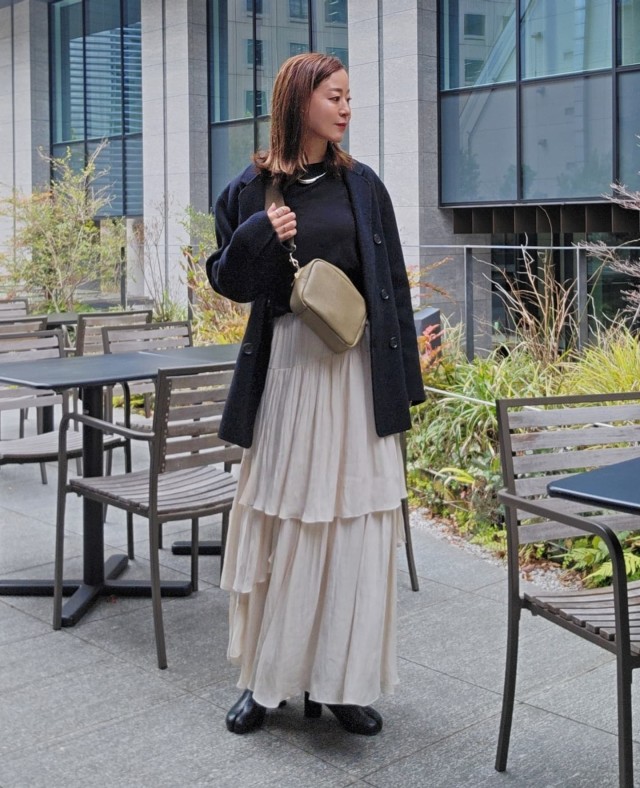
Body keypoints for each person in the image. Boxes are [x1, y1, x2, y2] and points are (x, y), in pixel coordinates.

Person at [206, 52, 425, 737]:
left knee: (354, 529)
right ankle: (264, 681)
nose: (346, 107)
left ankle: (343, 684)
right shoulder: (250, 189)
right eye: (335, 96)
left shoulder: (363, 185)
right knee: (285, 522)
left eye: (349, 96)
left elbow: (392, 283)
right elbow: (228, 281)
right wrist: (256, 235)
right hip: (290, 373)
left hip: (356, 373)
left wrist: (404, 384)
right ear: (299, 99)